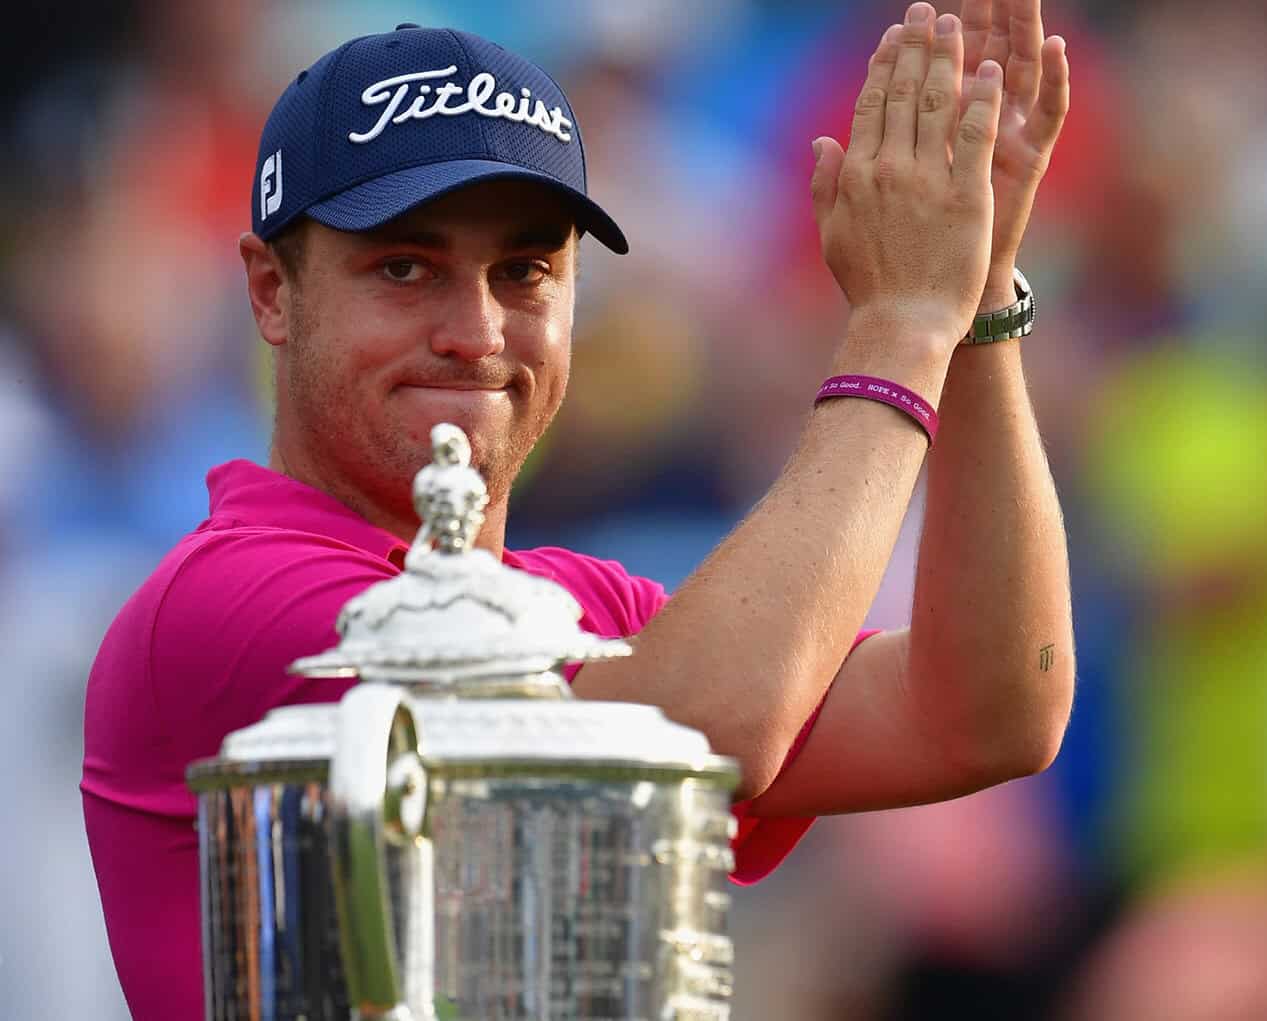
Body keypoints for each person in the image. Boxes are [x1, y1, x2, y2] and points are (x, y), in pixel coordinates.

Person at [81, 3, 1075, 1017]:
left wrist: (976, 295)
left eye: (524, 271)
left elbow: (987, 711)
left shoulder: (587, 611)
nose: (475, 331)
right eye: (404, 267)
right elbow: (685, 738)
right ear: (270, 292)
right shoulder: (225, 600)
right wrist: (900, 328)